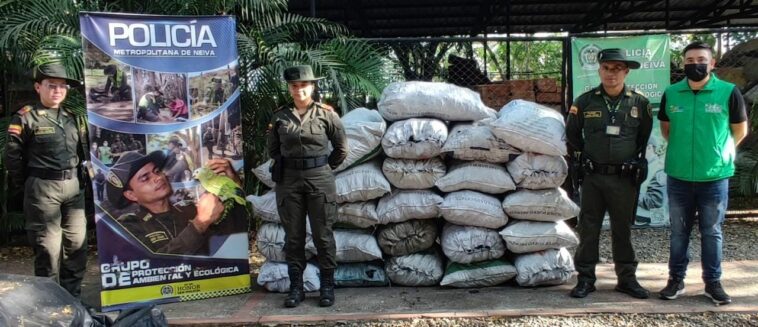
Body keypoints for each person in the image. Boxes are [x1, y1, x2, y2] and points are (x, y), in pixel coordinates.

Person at [657, 41, 748, 305]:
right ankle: (676, 279)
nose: (694, 64)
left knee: (712, 232)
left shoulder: (728, 92)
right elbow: (666, 129)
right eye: (689, 60)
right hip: (679, 176)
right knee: (678, 232)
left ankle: (713, 283)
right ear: (683, 64)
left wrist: (720, 152)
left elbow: (739, 131)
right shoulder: (672, 93)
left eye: (700, 59)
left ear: (712, 64)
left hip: (714, 177)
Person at [566, 48, 653, 299]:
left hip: (624, 179)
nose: (611, 73)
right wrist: (586, 158)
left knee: (622, 230)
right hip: (593, 177)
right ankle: (585, 279)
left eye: (617, 68)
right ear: (599, 70)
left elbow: (643, 137)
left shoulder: (639, 102)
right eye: (606, 68)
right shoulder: (585, 101)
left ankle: (627, 279)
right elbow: (573, 134)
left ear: (626, 71)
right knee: (588, 227)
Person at [4, 62, 89, 298]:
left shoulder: (72, 117)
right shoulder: (25, 117)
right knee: (48, 251)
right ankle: (50, 305)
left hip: (73, 188)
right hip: (42, 189)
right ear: (38, 87)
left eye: (62, 86)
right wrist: (29, 185)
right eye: (52, 85)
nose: (58, 91)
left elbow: (80, 152)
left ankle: (73, 301)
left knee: (76, 246)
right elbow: (13, 158)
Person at [267, 65, 348, 308]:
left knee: (323, 235)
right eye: (294, 85)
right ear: (289, 88)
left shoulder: (326, 114)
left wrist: (322, 168)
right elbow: (272, 150)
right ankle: (296, 288)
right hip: (289, 180)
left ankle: (326, 287)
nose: (299, 89)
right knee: (294, 237)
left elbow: (342, 149)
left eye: (304, 85)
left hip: (319, 178)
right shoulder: (279, 116)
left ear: (312, 87)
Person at [105, 151, 247, 255]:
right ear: (131, 194)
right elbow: (153, 264)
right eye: (145, 178)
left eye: (157, 171)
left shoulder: (192, 209)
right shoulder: (129, 225)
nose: (158, 178)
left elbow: (232, 234)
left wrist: (233, 186)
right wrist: (200, 224)